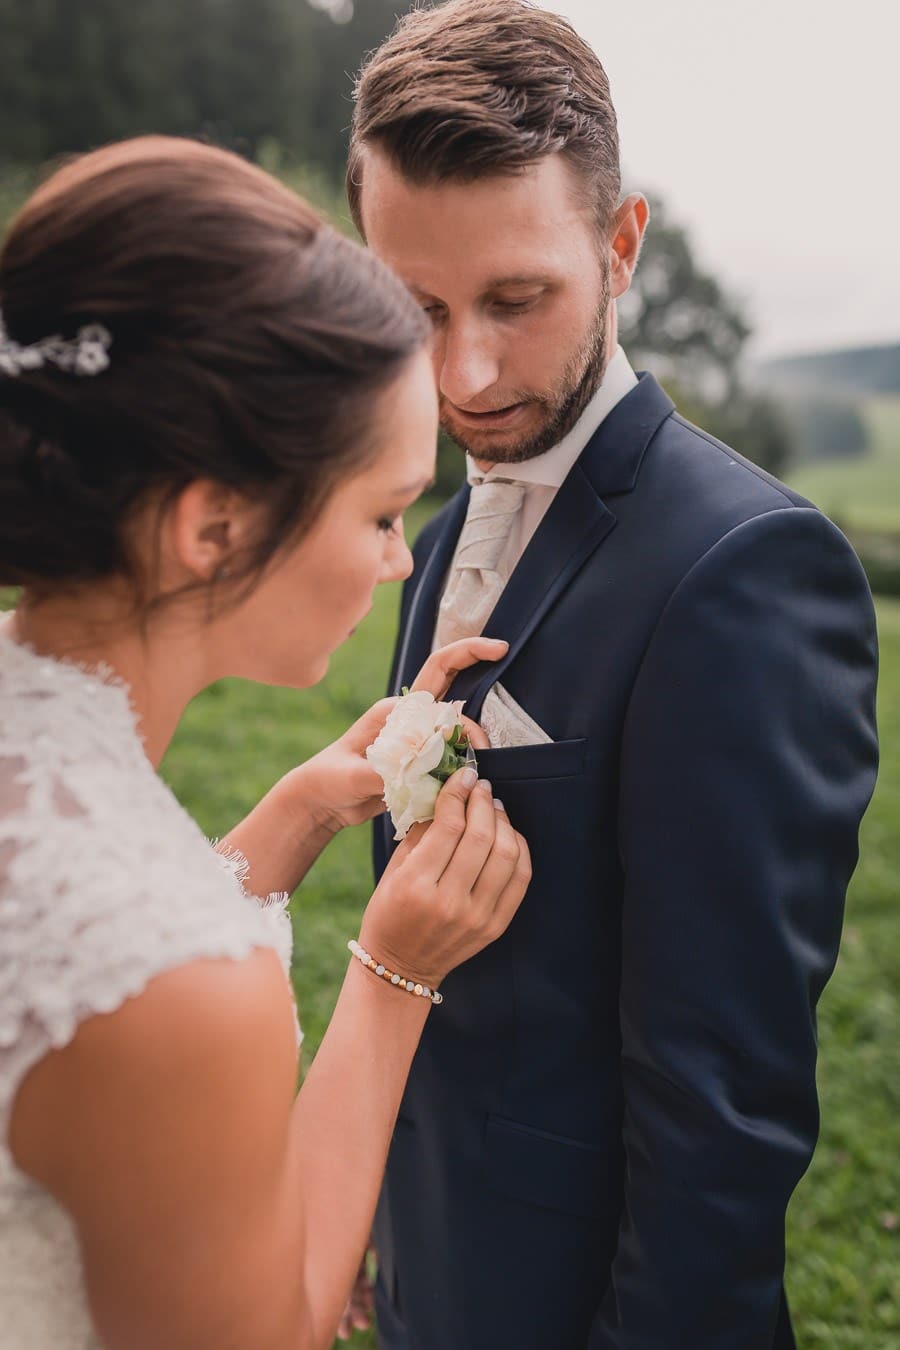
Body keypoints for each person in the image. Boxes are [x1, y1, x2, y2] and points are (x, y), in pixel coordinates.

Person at [349, 2, 880, 1346]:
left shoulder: (748, 566)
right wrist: (368, 1195)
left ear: (621, 243)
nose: (462, 371)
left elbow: (724, 1108)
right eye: (416, 307)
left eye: (517, 300)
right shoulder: (437, 529)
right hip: (434, 1258)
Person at [0, 134, 532, 1350]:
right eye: (384, 511)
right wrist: (394, 976)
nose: (404, 559)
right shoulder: (184, 990)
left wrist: (296, 817)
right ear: (215, 526)